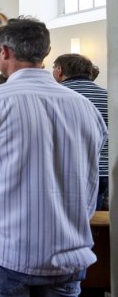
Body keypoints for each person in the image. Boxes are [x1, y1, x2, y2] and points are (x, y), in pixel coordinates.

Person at [0, 17, 107, 296]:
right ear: (45, 52)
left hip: (4, 248)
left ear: (4, 52)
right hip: (68, 248)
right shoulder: (84, 107)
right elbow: (91, 177)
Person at [52, 53, 109, 210]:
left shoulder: (53, 96)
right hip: (105, 170)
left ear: (59, 70)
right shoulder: (108, 96)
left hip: (69, 171)